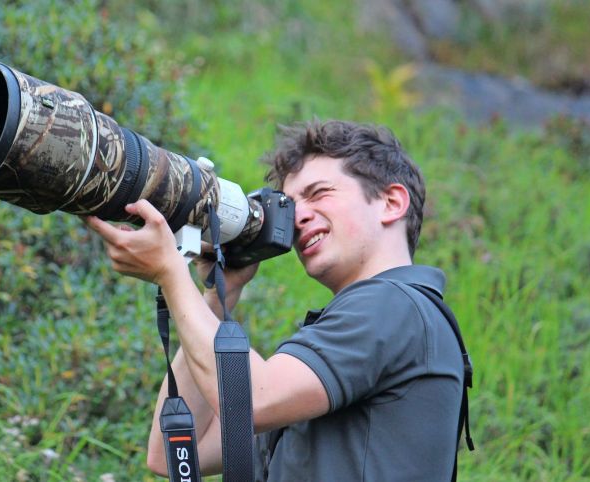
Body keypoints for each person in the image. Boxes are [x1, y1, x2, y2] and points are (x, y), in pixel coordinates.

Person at [84, 120, 464, 480]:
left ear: (391, 203)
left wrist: (170, 272)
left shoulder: (394, 305)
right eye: (291, 206)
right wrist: (219, 295)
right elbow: (176, 453)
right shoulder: (367, 330)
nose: (298, 218)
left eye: (319, 194)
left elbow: (254, 398)